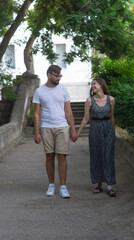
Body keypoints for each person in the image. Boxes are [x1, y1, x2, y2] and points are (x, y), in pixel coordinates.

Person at [33, 65, 77, 198]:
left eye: (60, 76)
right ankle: (51, 185)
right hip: (46, 127)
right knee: (49, 156)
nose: (59, 78)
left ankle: (63, 187)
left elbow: (68, 111)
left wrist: (73, 129)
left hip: (62, 126)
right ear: (49, 75)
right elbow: (36, 113)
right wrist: (36, 132)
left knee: (62, 156)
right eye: (56, 75)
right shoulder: (39, 91)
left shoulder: (63, 91)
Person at [77, 78, 116, 197]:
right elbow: (85, 118)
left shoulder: (111, 100)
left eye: (95, 83)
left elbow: (112, 117)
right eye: (92, 84)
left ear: (101, 85)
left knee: (108, 156)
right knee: (96, 155)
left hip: (108, 128)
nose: (92, 86)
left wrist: (113, 133)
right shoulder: (89, 101)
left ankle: (110, 185)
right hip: (95, 128)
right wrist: (77, 133)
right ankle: (99, 184)